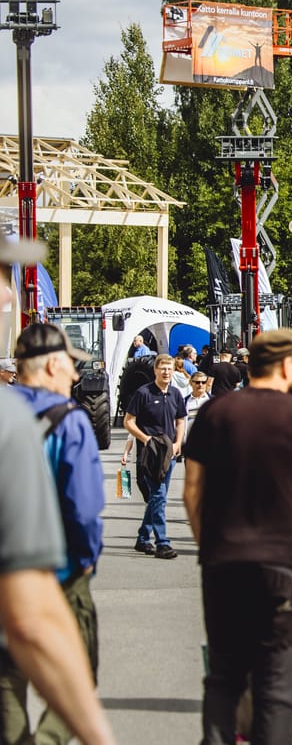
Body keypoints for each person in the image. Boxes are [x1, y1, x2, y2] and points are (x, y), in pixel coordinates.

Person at [183, 327, 292, 744]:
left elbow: (192, 491)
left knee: (225, 676)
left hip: (223, 563)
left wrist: (208, 545)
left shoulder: (216, 412)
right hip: (284, 566)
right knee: (279, 685)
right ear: (287, 365)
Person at [0, 237, 115, 745]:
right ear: (51, 366)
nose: (74, 371)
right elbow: (84, 508)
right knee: (78, 674)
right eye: (70, 363)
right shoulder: (69, 421)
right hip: (56, 571)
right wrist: (85, 560)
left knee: (6, 682)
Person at [122, 354, 186, 559]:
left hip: (169, 453)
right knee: (158, 495)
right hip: (150, 454)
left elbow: (181, 420)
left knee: (158, 497)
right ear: (155, 370)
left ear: (174, 371)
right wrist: (146, 439)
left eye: (169, 369)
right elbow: (128, 421)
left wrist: (178, 442)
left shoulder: (176, 394)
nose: (166, 372)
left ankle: (143, 538)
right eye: (163, 369)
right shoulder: (143, 393)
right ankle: (162, 542)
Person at [185, 372, 212, 441]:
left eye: (203, 382)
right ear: (191, 383)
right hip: (189, 441)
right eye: (197, 382)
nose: (200, 385)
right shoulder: (184, 401)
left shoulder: (213, 401)